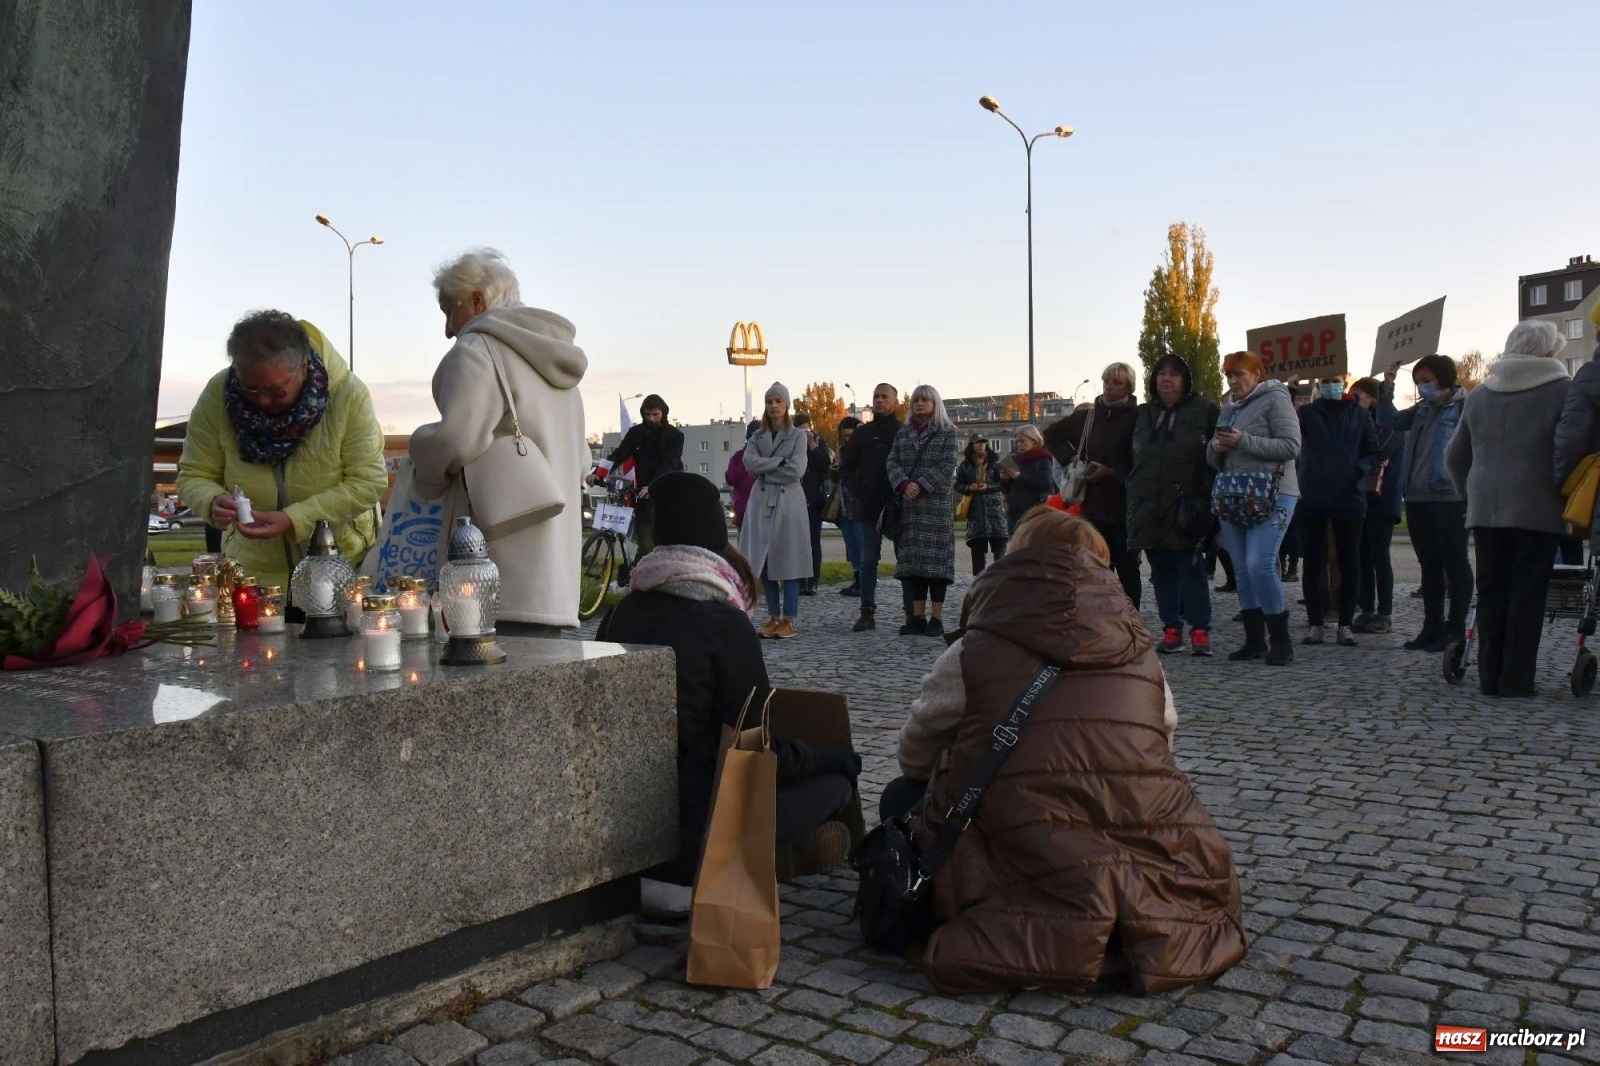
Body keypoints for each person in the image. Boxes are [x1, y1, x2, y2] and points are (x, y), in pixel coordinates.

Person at [885, 508, 1246, 994]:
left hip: (1014, 827)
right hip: (1130, 817)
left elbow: (918, 749)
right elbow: (1162, 741)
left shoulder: (974, 648)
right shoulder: (1142, 655)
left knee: (899, 795)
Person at [596, 472, 860, 906]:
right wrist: (832, 758)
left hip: (623, 836)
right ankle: (777, 856)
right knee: (834, 784)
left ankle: (793, 851)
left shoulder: (619, 615)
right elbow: (754, 749)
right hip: (699, 839)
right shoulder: (723, 625)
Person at [410, 249, 590, 633]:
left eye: (448, 311)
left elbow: (457, 438)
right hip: (555, 584)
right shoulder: (558, 365)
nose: (447, 329)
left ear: (476, 299)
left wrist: (420, 453)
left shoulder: (477, 350)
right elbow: (582, 462)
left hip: (491, 571)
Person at [177, 311, 387, 593]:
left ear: (303, 367)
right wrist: (211, 500)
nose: (262, 401)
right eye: (249, 390)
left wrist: (295, 519)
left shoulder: (349, 395)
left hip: (339, 566)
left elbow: (367, 482)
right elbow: (193, 474)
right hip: (252, 572)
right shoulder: (217, 394)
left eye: (276, 391)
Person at [1448, 322, 1572, 697]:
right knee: (1527, 595)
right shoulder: (1563, 390)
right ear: (1549, 354)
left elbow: (1454, 457)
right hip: (1539, 507)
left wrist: (1469, 494)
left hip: (1486, 508)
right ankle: (1517, 680)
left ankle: (1489, 678)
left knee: (1490, 592)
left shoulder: (1480, 394)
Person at [1209, 352, 1301, 665]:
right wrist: (1215, 448)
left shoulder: (1276, 398)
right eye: (1229, 375)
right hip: (1233, 494)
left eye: (1239, 374)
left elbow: (1291, 446)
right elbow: (1213, 454)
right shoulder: (1228, 405)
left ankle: (1281, 641)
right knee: (1241, 565)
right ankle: (1254, 640)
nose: (1233, 381)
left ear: (1257, 373)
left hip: (1273, 493)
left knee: (1259, 563)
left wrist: (1243, 441)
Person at [1128, 353, 1220, 656]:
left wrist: (1208, 499)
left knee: (1191, 571)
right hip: (1148, 507)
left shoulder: (1205, 411)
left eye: (1175, 374)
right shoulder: (1141, 414)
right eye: (1161, 373)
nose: (1167, 379)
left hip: (1187, 507)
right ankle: (1171, 629)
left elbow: (1218, 460)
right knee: (1161, 572)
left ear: (1186, 380)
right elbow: (1122, 454)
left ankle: (1200, 631)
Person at [1380, 354, 1472, 652]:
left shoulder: (1465, 407)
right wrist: (1388, 386)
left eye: (1427, 381)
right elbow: (1387, 420)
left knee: (1454, 563)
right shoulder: (1420, 410)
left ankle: (1455, 629)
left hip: (1450, 496)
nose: (1423, 387)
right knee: (1429, 566)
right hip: (1417, 496)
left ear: (1444, 378)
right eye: (1418, 382)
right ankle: (1431, 628)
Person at [1044, 362, 1142, 606]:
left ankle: (1131, 622)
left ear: (1128, 387)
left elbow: (1145, 458)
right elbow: (1051, 434)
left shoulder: (1138, 417)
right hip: (1093, 505)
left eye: (1117, 382)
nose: (1109, 387)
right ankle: (1098, 621)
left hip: (1126, 505)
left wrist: (1111, 472)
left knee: (1129, 569)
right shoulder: (1086, 417)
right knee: (1095, 567)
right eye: (1107, 381)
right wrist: (1071, 459)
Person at [1294, 377, 1380, 647]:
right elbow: (1289, 436)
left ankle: (1345, 623)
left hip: (1348, 496)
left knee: (1349, 561)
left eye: (1335, 381)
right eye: (1326, 381)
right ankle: (1316, 623)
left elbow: (1373, 452)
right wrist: (1291, 390)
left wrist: (1357, 470)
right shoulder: (1307, 413)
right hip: (1312, 494)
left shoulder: (1360, 413)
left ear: (1343, 382)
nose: (1330, 385)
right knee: (1313, 562)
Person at [887, 386, 961, 637]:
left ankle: (936, 618)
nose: (919, 404)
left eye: (925, 400)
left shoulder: (948, 432)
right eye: (915, 400)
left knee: (936, 567)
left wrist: (921, 484)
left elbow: (948, 464)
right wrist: (904, 484)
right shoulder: (903, 433)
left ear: (935, 403)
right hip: (910, 507)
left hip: (935, 507)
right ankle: (916, 617)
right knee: (913, 567)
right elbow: (892, 461)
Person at [739, 383, 811, 639]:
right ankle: (773, 616)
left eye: (778, 401)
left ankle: (789, 619)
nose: (773, 405)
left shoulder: (798, 436)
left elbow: (797, 469)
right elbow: (748, 464)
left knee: (789, 561)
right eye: (770, 401)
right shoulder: (756, 437)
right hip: (760, 503)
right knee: (765, 562)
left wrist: (765, 465)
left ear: (786, 404)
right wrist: (779, 461)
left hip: (788, 503)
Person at [838, 384, 901, 632]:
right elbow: (847, 466)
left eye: (885, 397)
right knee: (867, 561)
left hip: (898, 504)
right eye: (876, 396)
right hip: (867, 505)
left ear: (895, 401)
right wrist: (858, 489)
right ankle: (867, 611)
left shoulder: (902, 432)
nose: (879, 400)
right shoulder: (862, 434)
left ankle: (911, 613)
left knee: (903, 559)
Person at [589, 394, 684, 557]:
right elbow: (619, 454)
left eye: (655, 414)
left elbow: (669, 463)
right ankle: (643, 569)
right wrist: (598, 474)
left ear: (663, 413)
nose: (651, 419)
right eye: (647, 415)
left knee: (665, 540)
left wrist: (653, 485)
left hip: (667, 491)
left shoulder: (674, 435)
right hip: (642, 493)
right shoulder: (636, 433)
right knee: (646, 542)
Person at [1350, 377, 1406, 634]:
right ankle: (1366, 608)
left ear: (1373, 397)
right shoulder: (1357, 420)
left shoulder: (1389, 421)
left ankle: (1385, 612)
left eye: (1358, 396)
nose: (1354, 402)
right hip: (1362, 498)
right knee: (1363, 555)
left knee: (1379, 555)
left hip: (1384, 497)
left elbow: (1379, 450)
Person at [955, 435, 1008, 576]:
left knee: (1000, 552)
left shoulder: (996, 462)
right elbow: (957, 485)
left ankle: (1000, 582)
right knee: (977, 554)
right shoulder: (965, 465)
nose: (981, 445)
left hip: (995, 511)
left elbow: (1004, 483)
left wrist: (988, 486)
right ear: (971, 445)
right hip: (975, 512)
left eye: (983, 442)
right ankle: (979, 584)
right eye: (977, 443)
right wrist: (969, 487)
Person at [794, 413, 833, 596]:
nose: (804, 434)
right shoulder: (791, 443)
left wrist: (812, 444)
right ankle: (801, 581)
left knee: (813, 542)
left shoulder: (818, 441)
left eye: (806, 430)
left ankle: (814, 580)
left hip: (814, 499)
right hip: (796, 499)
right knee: (799, 543)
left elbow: (825, 464)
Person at [998, 425, 1055, 528]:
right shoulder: (1016, 460)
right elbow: (1006, 490)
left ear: (1034, 440)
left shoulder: (1043, 459)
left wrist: (1019, 477)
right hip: (1014, 515)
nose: (1019, 444)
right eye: (1017, 442)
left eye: (1022, 441)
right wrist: (1005, 480)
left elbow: (1046, 485)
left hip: (1034, 513)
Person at [833, 417, 863, 595]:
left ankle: (864, 580)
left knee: (860, 540)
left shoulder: (864, 450)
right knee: (850, 542)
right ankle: (857, 576)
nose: (847, 439)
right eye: (844, 436)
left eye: (850, 435)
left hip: (858, 500)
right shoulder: (842, 450)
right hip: (844, 500)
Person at [725, 420, 759, 529]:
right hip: (743, 513)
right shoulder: (739, 457)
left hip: (762, 512)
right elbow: (730, 478)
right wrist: (747, 461)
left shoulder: (767, 456)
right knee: (745, 545)